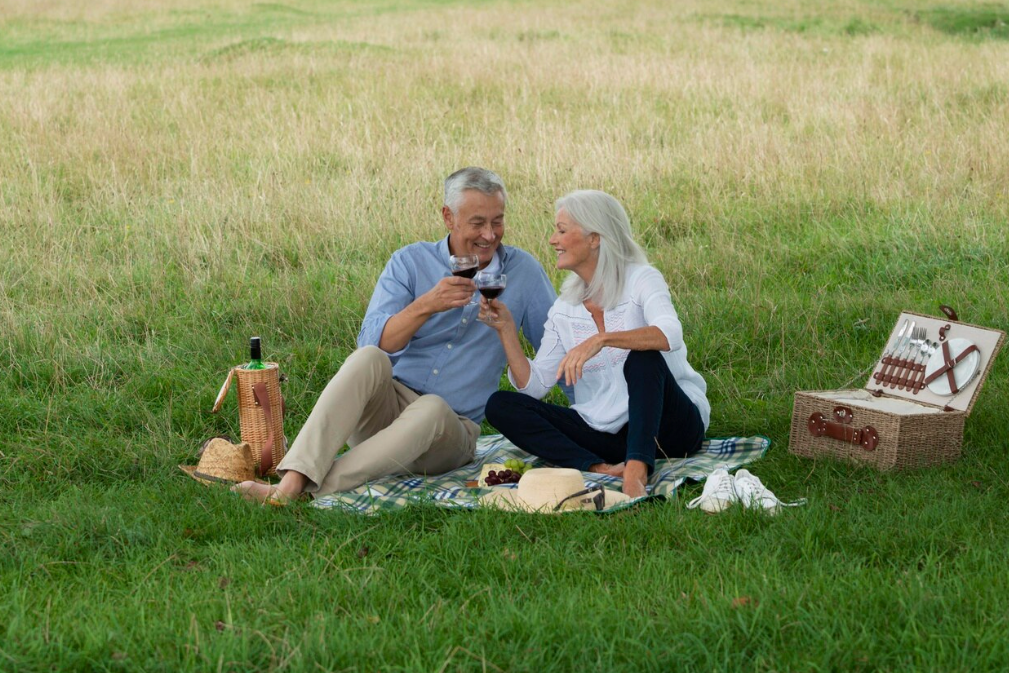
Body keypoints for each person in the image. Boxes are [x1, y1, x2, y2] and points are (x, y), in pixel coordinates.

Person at [234, 167, 557, 503]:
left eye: (498, 221)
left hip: (449, 433)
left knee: (432, 407)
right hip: (387, 414)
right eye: (478, 223)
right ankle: (293, 479)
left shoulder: (524, 273)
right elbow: (373, 343)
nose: (490, 235)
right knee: (368, 358)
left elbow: (557, 347)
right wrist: (426, 305)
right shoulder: (409, 262)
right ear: (449, 217)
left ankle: (299, 491)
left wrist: (594, 424)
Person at [482, 190, 709, 498]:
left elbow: (669, 334)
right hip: (606, 434)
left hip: (670, 428)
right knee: (501, 405)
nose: (552, 239)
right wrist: (507, 331)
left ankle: (636, 473)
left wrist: (601, 340)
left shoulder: (641, 279)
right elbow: (535, 387)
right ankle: (598, 467)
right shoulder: (565, 308)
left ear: (594, 238)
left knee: (643, 358)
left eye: (562, 230)